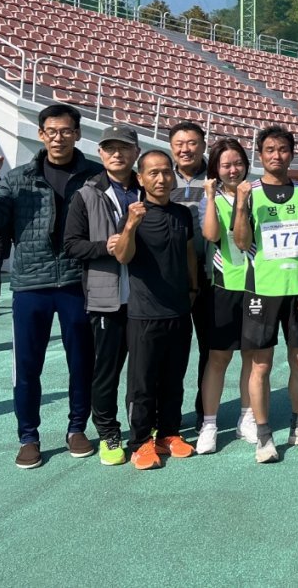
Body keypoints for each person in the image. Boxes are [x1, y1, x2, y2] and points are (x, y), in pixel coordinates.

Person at [0, 104, 101, 469]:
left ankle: (77, 428)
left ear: (77, 134)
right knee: (28, 366)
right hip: (32, 283)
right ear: (41, 135)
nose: (58, 137)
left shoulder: (94, 176)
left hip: (80, 281)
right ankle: (28, 436)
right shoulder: (17, 178)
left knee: (83, 362)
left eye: (65, 131)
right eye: (51, 131)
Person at [233, 125, 298, 464]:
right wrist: (241, 205)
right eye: (270, 149)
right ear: (261, 155)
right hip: (262, 290)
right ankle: (263, 435)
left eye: (283, 149)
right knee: (262, 364)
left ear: (292, 153)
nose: (277, 155)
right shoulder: (251, 192)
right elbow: (242, 242)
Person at [111, 150, 198, 470]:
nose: (161, 179)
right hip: (144, 314)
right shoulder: (133, 213)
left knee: (174, 379)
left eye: (166, 172)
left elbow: (189, 252)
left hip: (179, 311)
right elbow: (122, 256)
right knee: (142, 382)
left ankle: (169, 433)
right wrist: (131, 224)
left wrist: (192, 288)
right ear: (140, 178)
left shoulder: (182, 214)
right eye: (153, 173)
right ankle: (139, 442)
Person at [62, 125, 142, 467]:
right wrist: (103, 247)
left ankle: (144, 430)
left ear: (135, 152)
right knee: (106, 371)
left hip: (145, 297)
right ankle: (109, 431)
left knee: (143, 371)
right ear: (100, 153)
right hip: (106, 298)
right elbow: (70, 244)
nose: (117, 154)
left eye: (123, 148)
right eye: (110, 148)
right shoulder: (86, 194)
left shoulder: (148, 189)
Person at [197, 138, 255, 454]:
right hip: (224, 286)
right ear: (216, 170)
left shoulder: (257, 194)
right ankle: (209, 424)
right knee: (218, 357)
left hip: (257, 286)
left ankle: (246, 418)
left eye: (237, 163)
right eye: (225, 165)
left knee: (251, 354)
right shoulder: (214, 198)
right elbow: (211, 235)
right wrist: (209, 195)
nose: (233, 170)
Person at [168, 121, 212, 431]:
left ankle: (204, 412)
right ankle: (169, 415)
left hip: (210, 277)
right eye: (180, 143)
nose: (186, 149)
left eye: (192, 142)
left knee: (210, 350)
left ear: (203, 145)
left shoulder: (218, 177)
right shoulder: (158, 177)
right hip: (170, 281)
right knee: (172, 351)